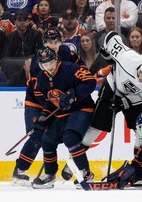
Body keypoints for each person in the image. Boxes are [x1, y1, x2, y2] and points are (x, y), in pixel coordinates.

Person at [75, 31, 142, 166]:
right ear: (141, 66)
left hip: (132, 97)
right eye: (141, 74)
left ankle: (140, 166)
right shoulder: (128, 58)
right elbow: (111, 36)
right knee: (96, 126)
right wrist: (108, 55)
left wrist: (124, 103)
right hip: (112, 86)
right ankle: (75, 164)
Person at [12, 27, 84, 185]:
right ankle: (20, 170)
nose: (52, 45)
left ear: (61, 41)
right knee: (38, 133)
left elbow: (82, 69)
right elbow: (37, 90)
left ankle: (52, 172)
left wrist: (72, 91)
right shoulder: (40, 59)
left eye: (55, 41)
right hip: (37, 101)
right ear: (43, 43)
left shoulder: (67, 53)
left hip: (59, 101)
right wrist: (48, 110)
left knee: (62, 135)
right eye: (48, 41)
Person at [31, 46, 97, 189]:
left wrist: (74, 95)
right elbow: (48, 101)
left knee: (70, 137)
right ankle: (50, 175)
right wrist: (44, 116)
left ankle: (86, 173)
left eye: (50, 63)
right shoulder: (42, 78)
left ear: (56, 59)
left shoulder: (70, 68)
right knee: (47, 140)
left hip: (82, 108)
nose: (48, 67)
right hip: (62, 113)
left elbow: (90, 80)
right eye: (44, 64)